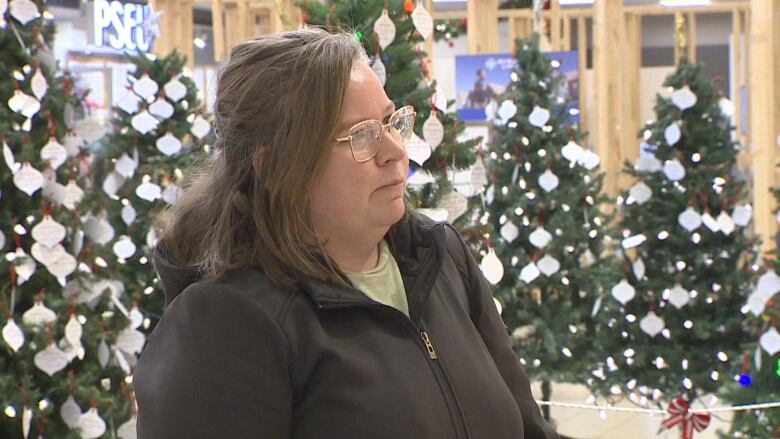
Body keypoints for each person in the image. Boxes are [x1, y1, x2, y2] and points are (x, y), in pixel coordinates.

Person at [133, 28, 559, 439]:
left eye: (391, 122)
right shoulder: (227, 324)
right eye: (362, 135)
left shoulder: (440, 256)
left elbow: (527, 428)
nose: (396, 152)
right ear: (278, 168)